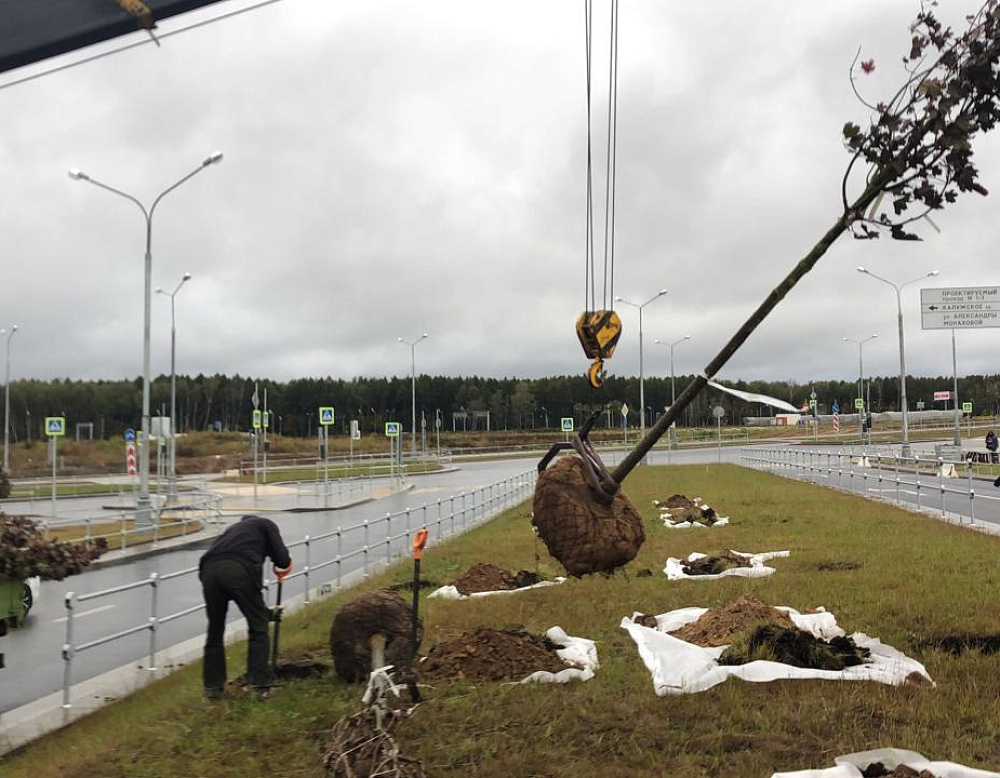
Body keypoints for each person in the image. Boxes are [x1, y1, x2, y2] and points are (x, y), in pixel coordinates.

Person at [199, 514, 292, 699]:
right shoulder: (265, 524)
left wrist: (267, 613)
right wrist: (283, 562)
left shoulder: (231, 531)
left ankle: (212, 687)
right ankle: (260, 686)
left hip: (208, 571)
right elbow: (282, 560)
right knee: (258, 627)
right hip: (238, 569)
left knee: (215, 630)